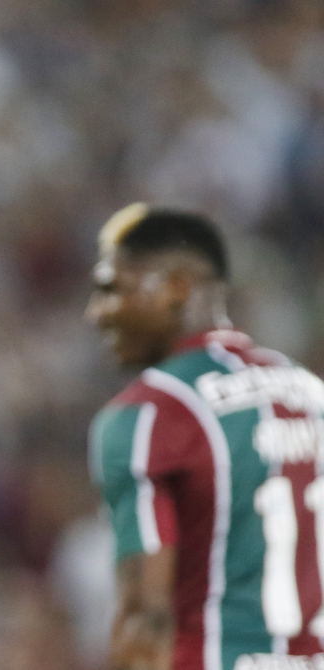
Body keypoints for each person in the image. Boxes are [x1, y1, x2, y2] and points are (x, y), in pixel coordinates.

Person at [88, 204, 324, 670]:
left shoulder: (150, 414)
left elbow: (146, 621)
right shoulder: (312, 392)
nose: (96, 313)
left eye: (112, 289)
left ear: (177, 287)